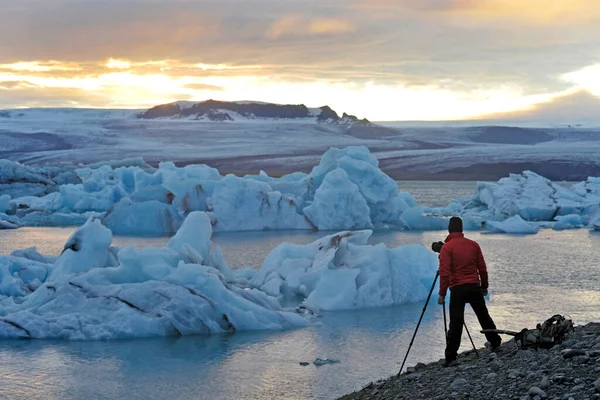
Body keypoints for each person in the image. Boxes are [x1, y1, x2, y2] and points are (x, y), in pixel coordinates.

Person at [437, 216, 501, 365]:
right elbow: (482, 268)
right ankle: (496, 342)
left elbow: (444, 272)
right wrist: (484, 286)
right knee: (483, 316)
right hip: (474, 286)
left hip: (457, 288)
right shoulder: (473, 245)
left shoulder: (447, 247)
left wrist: (442, 294)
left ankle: (451, 357)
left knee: (456, 322)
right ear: (461, 229)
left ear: (449, 229)